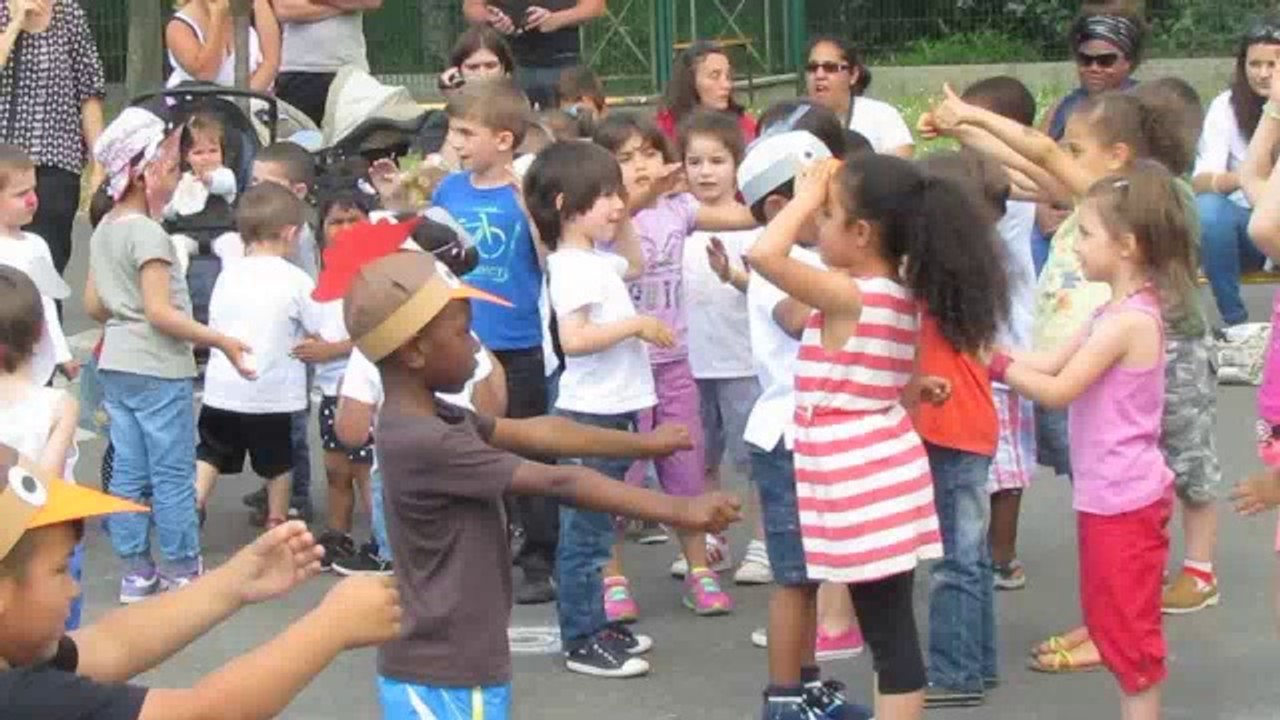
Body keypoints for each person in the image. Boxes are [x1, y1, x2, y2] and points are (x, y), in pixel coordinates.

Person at [323, 232, 737, 715]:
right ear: (414, 352)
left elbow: (540, 433)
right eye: (462, 333)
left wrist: (642, 443)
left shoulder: (433, 415)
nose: (477, 347)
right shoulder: (425, 439)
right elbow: (562, 480)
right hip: (444, 674)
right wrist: (681, 510)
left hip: (453, 663)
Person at [925, 74, 1218, 666]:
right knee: (1109, 507)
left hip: (1160, 356)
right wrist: (968, 133)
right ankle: (1105, 624)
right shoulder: (1104, 199)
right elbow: (1031, 166)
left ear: (1117, 156)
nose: (1066, 156)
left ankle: (1179, 584)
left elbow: (1040, 151)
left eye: (1077, 148)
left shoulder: (1126, 201)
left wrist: (971, 116)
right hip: (1096, 357)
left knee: (1163, 480)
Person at [748, 148, 1007, 719]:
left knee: (892, 642)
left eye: (828, 213)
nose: (817, 222)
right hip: (875, 469)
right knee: (889, 633)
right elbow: (877, 377)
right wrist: (918, 389)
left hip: (857, 482)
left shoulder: (850, 294)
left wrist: (806, 195)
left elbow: (763, 253)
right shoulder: (897, 292)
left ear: (861, 233)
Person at [993, 161, 1197, 720]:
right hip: (1109, 497)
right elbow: (1048, 360)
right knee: (1111, 623)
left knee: (1130, 639)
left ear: (1127, 245)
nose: (1073, 243)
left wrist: (995, 365)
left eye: (1084, 233)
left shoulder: (1129, 322)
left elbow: (1058, 389)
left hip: (1125, 500)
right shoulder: (1110, 311)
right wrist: (991, 358)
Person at [0, 444, 404, 720]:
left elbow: (111, 643)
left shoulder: (15, 660)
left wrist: (233, 581)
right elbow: (205, 713)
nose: (74, 587)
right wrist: (333, 626)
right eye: (59, 570)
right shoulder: (20, 698)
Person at [591, 112, 756, 621]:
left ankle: (699, 569)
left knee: (686, 470)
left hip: (675, 364)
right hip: (623, 371)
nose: (640, 165)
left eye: (648, 153)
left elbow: (746, 219)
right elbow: (619, 220)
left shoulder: (680, 208)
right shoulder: (604, 215)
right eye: (624, 158)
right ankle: (611, 577)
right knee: (623, 477)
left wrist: (791, 203)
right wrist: (644, 191)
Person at [85, 107, 253, 603]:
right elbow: (161, 312)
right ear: (145, 171)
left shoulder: (106, 227)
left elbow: (94, 304)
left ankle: (136, 571)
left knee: (129, 469)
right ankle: (182, 567)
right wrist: (219, 339)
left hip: (116, 360)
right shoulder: (148, 233)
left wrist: (124, 311)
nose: (178, 178)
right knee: (174, 472)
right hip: (158, 366)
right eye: (172, 168)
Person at [733, 124, 871, 720]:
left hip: (822, 433)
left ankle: (808, 681)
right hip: (787, 434)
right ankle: (784, 698)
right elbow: (797, 318)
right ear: (780, 208)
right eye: (822, 197)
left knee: (817, 572)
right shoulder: (776, 263)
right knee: (793, 576)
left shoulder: (816, 258)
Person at [432, 79, 565, 605]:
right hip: (462, 343)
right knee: (472, 445)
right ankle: (495, 542)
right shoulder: (449, 189)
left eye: (467, 132)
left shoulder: (525, 192)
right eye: (453, 131)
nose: (456, 142)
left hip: (519, 340)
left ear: (505, 139)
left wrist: (529, 210)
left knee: (526, 443)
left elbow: (549, 258)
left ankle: (540, 555)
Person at [914, 148, 1015, 708]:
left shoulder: (927, 282)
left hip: (946, 427)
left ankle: (955, 673)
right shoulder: (973, 275)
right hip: (971, 426)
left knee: (955, 559)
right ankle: (979, 662)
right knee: (971, 557)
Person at [193, 184, 322, 532]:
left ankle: (195, 501)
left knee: (211, 451)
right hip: (272, 393)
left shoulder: (228, 275)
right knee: (279, 461)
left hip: (223, 388)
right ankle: (277, 518)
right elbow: (318, 323)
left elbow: (216, 323)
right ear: (291, 233)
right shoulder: (296, 279)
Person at [678, 109, 770, 585]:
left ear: (738, 165)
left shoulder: (753, 226)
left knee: (755, 461)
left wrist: (730, 275)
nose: (705, 171)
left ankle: (763, 543)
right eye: (695, 162)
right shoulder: (675, 224)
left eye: (717, 160)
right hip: (690, 364)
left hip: (741, 360)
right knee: (699, 457)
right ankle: (711, 539)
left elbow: (768, 290)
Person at [956, 76, 1040, 592]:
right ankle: (971, 549)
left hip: (1005, 348)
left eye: (975, 120)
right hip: (973, 347)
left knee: (1004, 467)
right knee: (969, 456)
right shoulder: (972, 176)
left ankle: (1000, 555)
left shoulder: (1005, 188)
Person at [1033, 1, 1146, 273]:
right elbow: (1034, 158)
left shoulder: (1143, 106)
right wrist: (1039, 209)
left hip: (1118, 215)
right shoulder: (1062, 107)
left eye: (1106, 60)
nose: (1094, 67)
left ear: (1129, 62)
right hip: (1057, 212)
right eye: (1085, 59)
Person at [0, 0, 105, 278]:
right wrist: (15, 25)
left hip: (56, 160)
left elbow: (89, 93)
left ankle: (45, 319)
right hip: (4, 161)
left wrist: (99, 163)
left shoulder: (68, 14)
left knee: (48, 265)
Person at [0, 267, 81, 628]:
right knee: (54, 650)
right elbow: (42, 483)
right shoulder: (58, 404)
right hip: (44, 541)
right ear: (41, 332)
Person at [1194, 19, 1280, 329]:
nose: (1263, 73)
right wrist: (1243, 177)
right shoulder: (1225, 106)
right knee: (1209, 211)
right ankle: (1237, 325)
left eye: (1273, 64)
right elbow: (1200, 180)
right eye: (1254, 64)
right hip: (1246, 229)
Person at [0, 144, 74, 387]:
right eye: (21, 194)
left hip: (34, 364)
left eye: (34, 189)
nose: (33, 200)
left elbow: (48, 302)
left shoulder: (37, 245)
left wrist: (62, 353)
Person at [463, 0, 606, 110]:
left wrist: (556, 19)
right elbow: (472, 7)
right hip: (506, 63)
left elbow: (595, 7)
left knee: (565, 129)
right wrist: (493, 19)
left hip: (562, 62)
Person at [272, 0, 382, 127]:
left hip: (350, 73)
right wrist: (347, 7)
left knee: (352, 142)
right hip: (298, 73)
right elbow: (285, 10)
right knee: (301, 142)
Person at [803, 36, 912, 158]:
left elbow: (900, 170)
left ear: (853, 75)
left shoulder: (883, 117)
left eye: (830, 68)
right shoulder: (792, 121)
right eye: (812, 68)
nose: (819, 75)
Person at [165, 0, 280, 92]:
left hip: (248, 108)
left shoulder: (255, 6)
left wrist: (242, 102)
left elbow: (271, 61)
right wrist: (218, 17)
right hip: (196, 112)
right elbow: (205, 73)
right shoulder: (179, 27)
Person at [656, 40, 757, 143]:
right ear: (690, 81)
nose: (727, 85)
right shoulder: (665, 129)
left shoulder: (743, 124)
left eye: (728, 76)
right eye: (714, 76)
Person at [437, 24, 516, 96]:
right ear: (457, 72)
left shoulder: (522, 107)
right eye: (473, 67)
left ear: (504, 69)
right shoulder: (446, 110)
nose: (482, 74)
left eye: (491, 66)